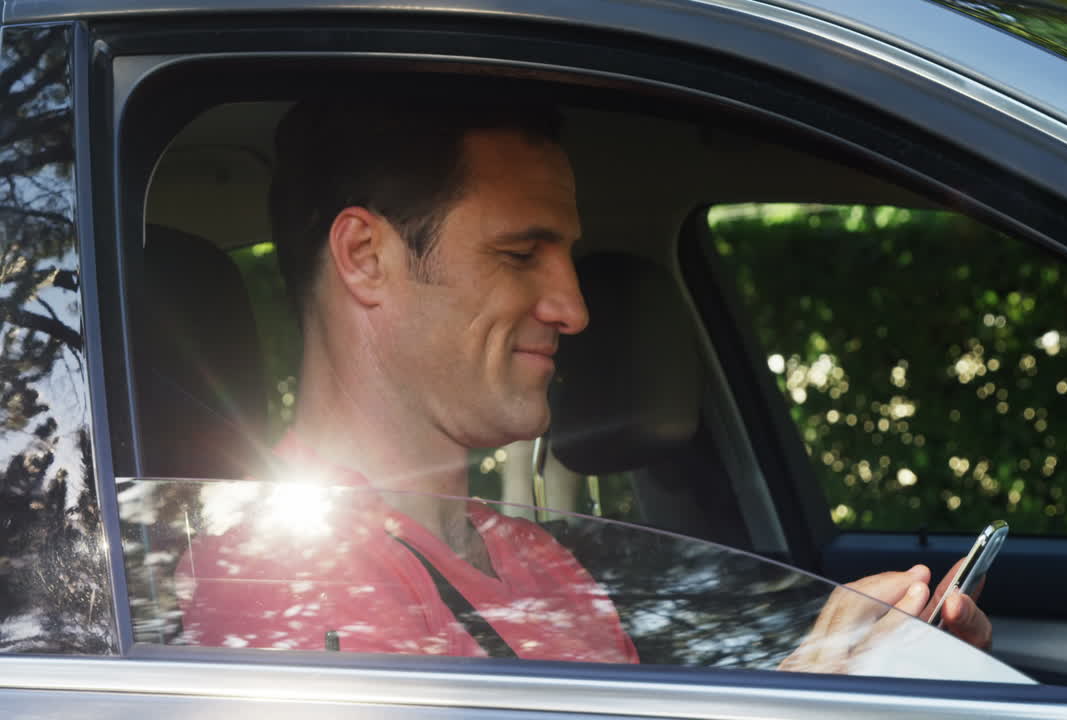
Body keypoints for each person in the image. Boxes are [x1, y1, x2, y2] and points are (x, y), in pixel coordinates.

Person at [175, 97, 991, 664]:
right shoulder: (276, 574)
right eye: (519, 254)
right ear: (365, 257)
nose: (573, 308)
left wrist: (850, 670)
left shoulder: (536, 558)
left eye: (565, 256)